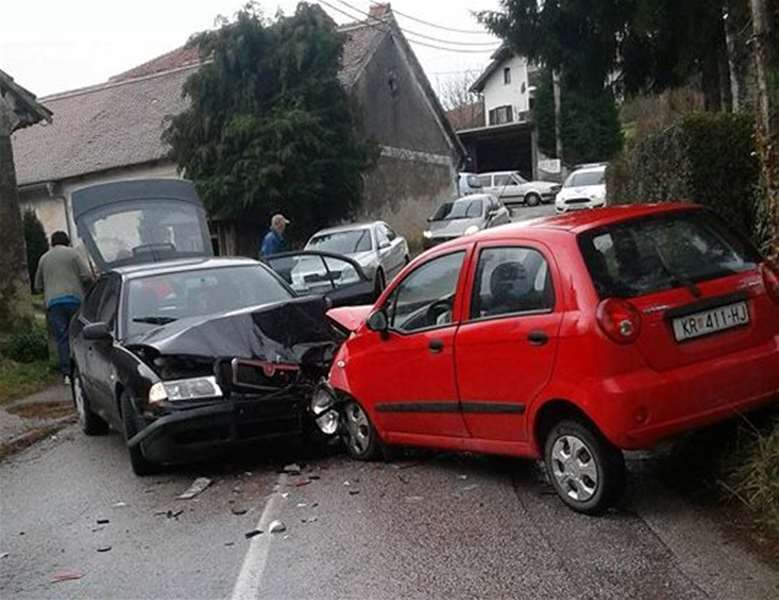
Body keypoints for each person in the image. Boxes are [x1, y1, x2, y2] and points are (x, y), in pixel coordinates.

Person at [34, 231, 93, 385]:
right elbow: (87, 276)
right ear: (67, 241)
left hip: (54, 303)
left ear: (52, 243)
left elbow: (37, 285)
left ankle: (67, 374)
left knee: (62, 338)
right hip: (74, 300)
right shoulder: (73, 254)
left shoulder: (44, 258)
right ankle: (84, 369)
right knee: (79, 335)